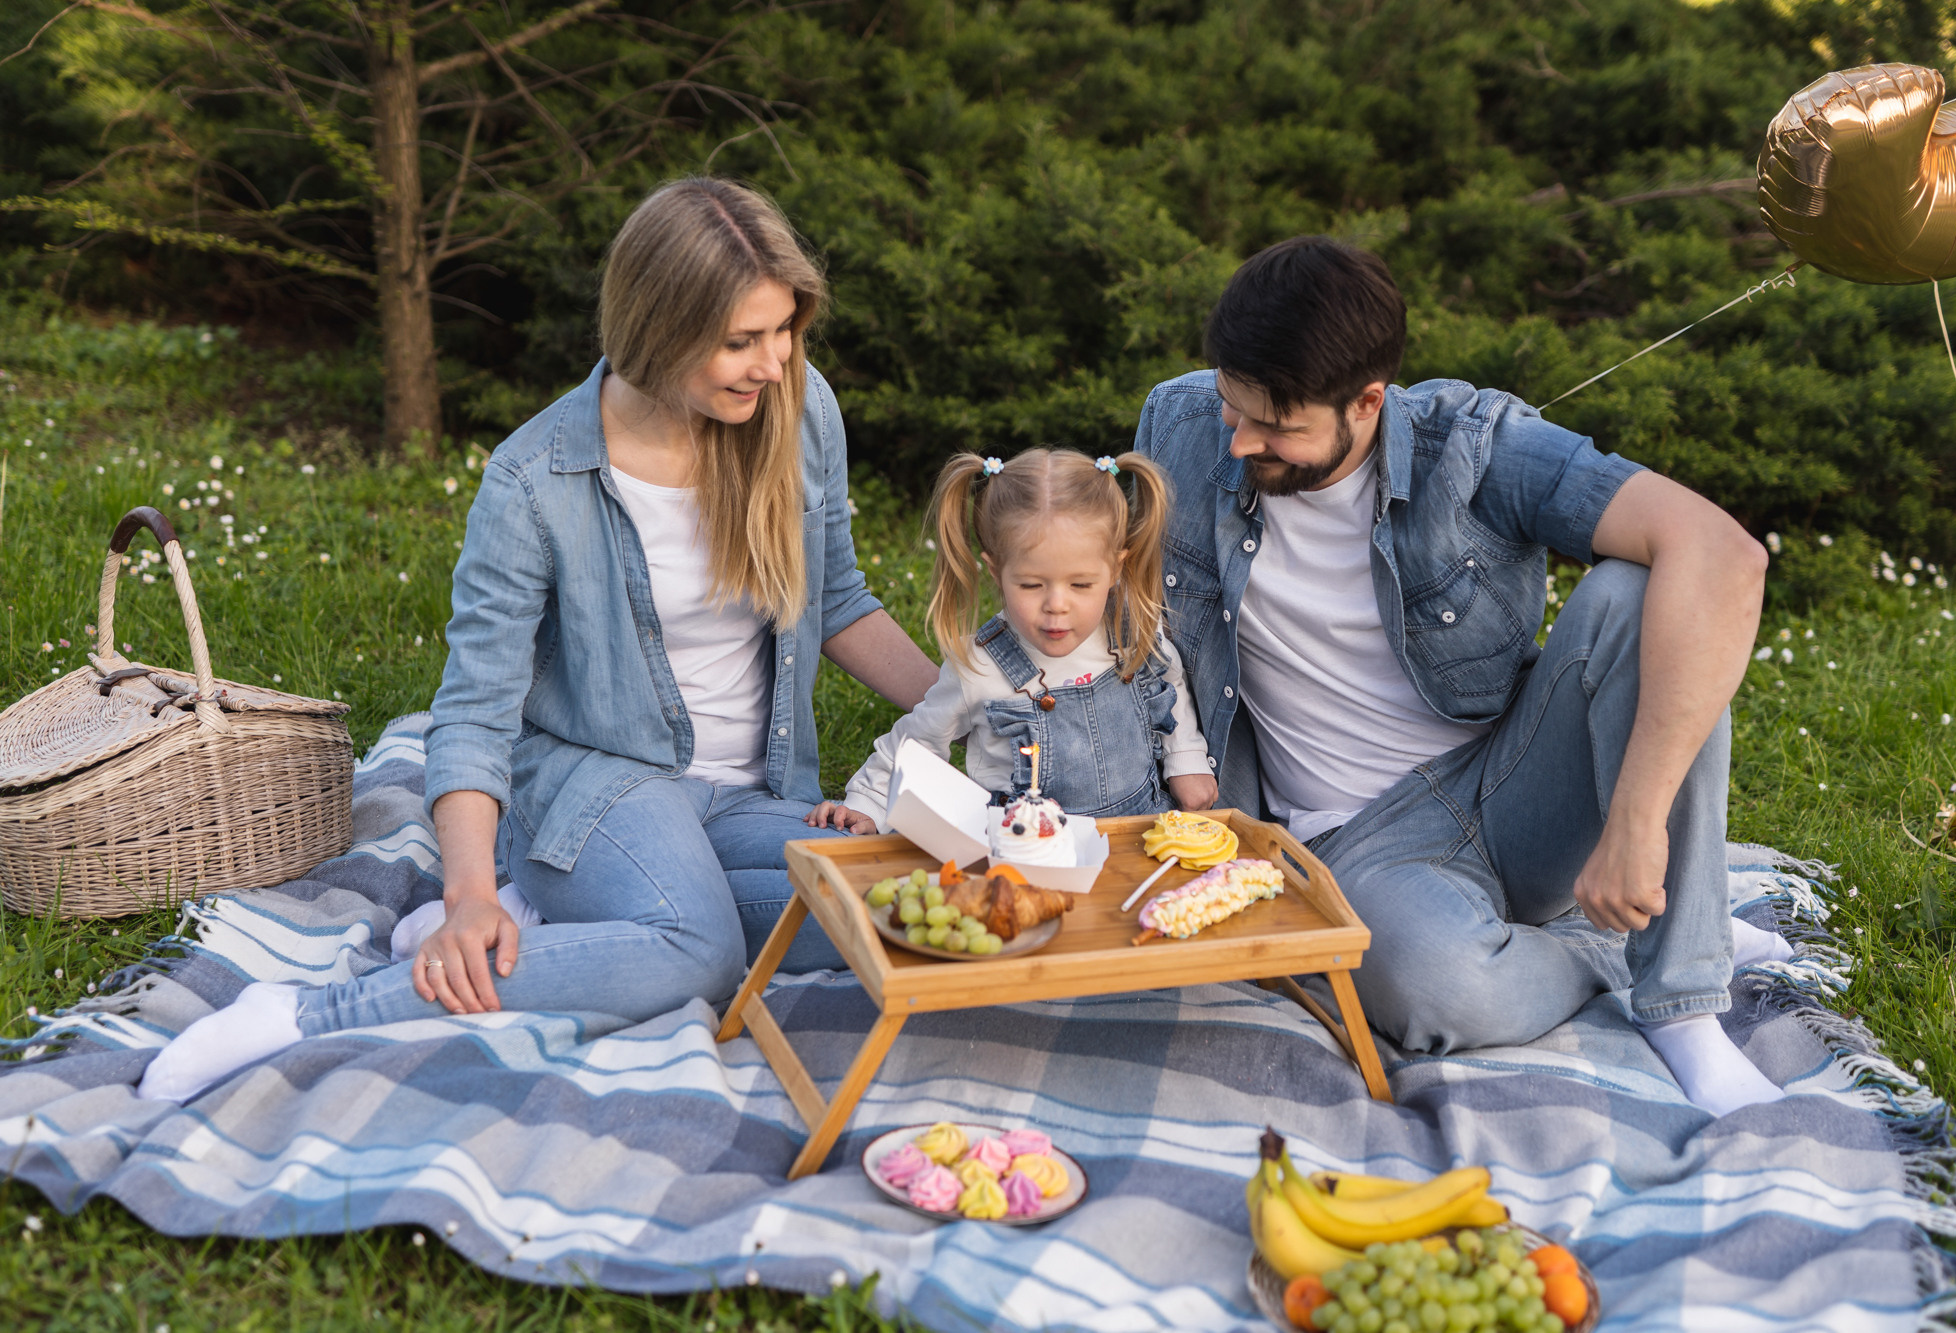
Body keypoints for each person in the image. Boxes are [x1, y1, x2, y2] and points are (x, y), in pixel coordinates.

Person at [138, 178, 937, 1103]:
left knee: (889, 906)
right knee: (700, 949)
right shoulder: (532, 480)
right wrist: (468, 895)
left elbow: (839, 600)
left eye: (785, 329)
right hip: (593, 782)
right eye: (741, 341)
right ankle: (309, 1012)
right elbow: (475, 711)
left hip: (746, 792)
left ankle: (564, 925)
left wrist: (969, 706)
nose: (775, 360)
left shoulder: (799, 410)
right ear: (660, 329)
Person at [1135, 237, 1796, 1117]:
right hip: (1359, 840)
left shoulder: (1476, 446)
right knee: (1432, 988)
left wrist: (1636, 823)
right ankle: (1620, 941)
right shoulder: (1179, 428)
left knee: (1640, 591)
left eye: (1278, 424)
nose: (1242, 438)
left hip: (1516, 782)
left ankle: (1683, 1006)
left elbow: (1724, 555)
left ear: (1367, 402)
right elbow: (1121, 609)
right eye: (1233, 405)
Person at [814, 448, 1216, 833]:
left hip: (1141, 834)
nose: (1056, 606)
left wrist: (1187, 758)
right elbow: (917, 742)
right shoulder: (982, 666)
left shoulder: (1133, 632)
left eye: (1081, 584)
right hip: (1023, 854)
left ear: (1115, 569)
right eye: (1030, 584)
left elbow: (1169, 685)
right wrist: (865, 804)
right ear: (995, 571)